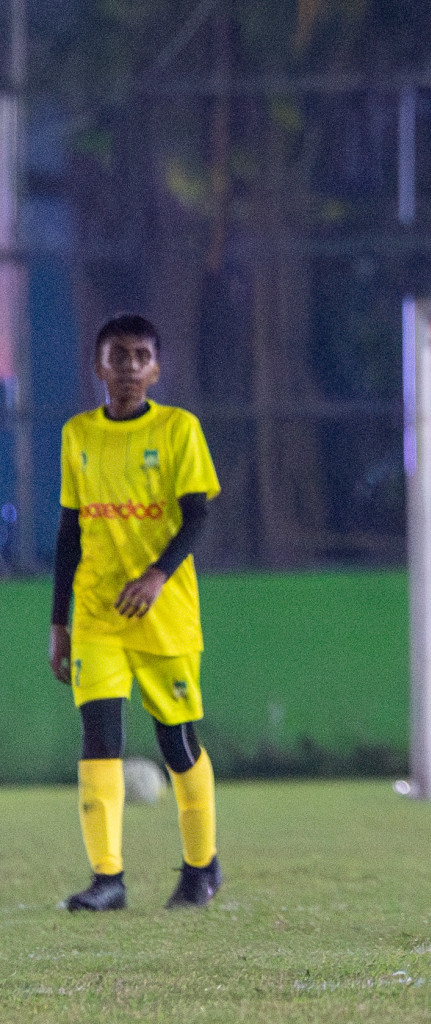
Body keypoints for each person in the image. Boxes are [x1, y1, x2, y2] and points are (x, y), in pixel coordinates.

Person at [49, 314, 223, 911]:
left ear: (156, 368)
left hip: (164, 615)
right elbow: (69, 531)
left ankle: (201, 867)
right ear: (97, 366)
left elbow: (197, 513)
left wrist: (156, 575)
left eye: (141, 356)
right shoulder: (78, 434)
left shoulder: (179, 430)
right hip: (96, 614)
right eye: (117, 356)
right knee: (99, 737)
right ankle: (108, 879)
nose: (128, 367)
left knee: (176, 740)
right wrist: (58, 621)